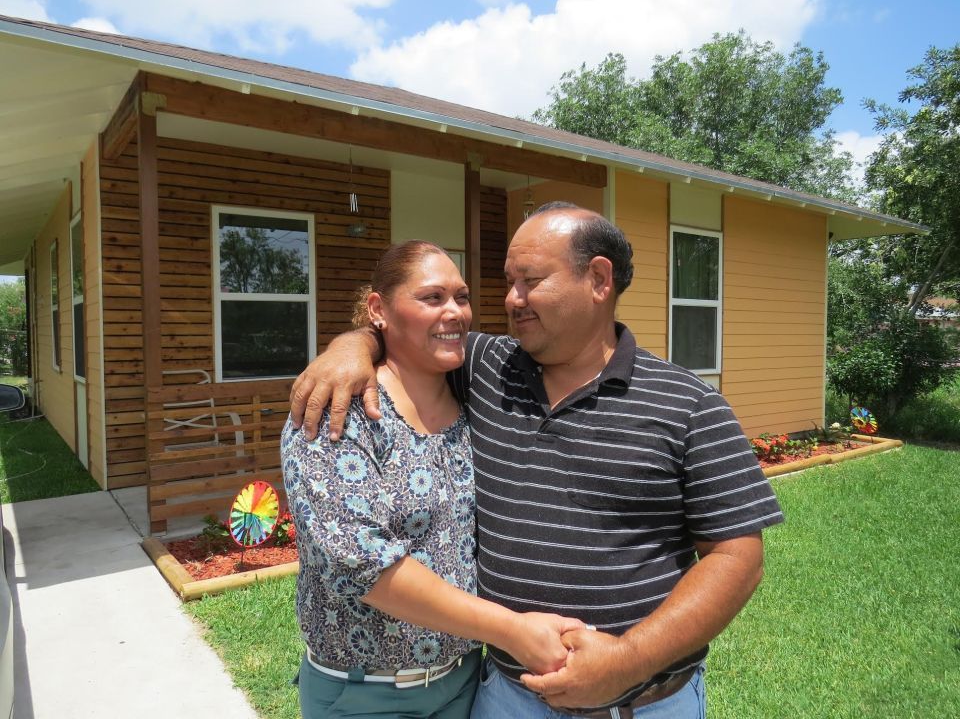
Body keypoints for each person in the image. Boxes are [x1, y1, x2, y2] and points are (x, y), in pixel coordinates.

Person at [288, 206, 785, 718]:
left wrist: (627, 660)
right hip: (506, 697)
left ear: (597, 279)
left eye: (530, 281)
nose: (510, 300)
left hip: (642, 704)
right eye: (508, 282)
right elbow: (406, 336)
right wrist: (351, 346)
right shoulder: (483, 368)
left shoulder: (688, 404)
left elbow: (737, 559)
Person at [281, 239, 583, 719]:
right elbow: (359, 563)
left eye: (461, 297)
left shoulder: (472, 402)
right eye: (432, 297)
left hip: (463, 682)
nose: (455, 312)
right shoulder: (339, 410)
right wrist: (511, 630)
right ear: (378, 308)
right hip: (367, 695)